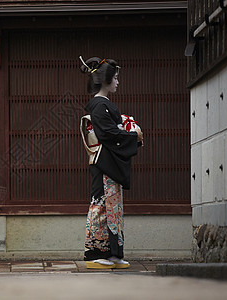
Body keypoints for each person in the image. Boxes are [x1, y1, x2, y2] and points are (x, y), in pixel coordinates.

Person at [79, 57, 143, 269]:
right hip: (103, 161)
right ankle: (95, 252)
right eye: (115, 78)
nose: (117, 82)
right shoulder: (99, 105)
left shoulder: (103, 105)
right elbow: (108, 133)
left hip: (108, 160)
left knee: (112, 207)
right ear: (106, 80)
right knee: (101, 205)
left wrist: (128, 132)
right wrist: (133, 135)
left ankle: (113, 253)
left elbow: (113, 131)